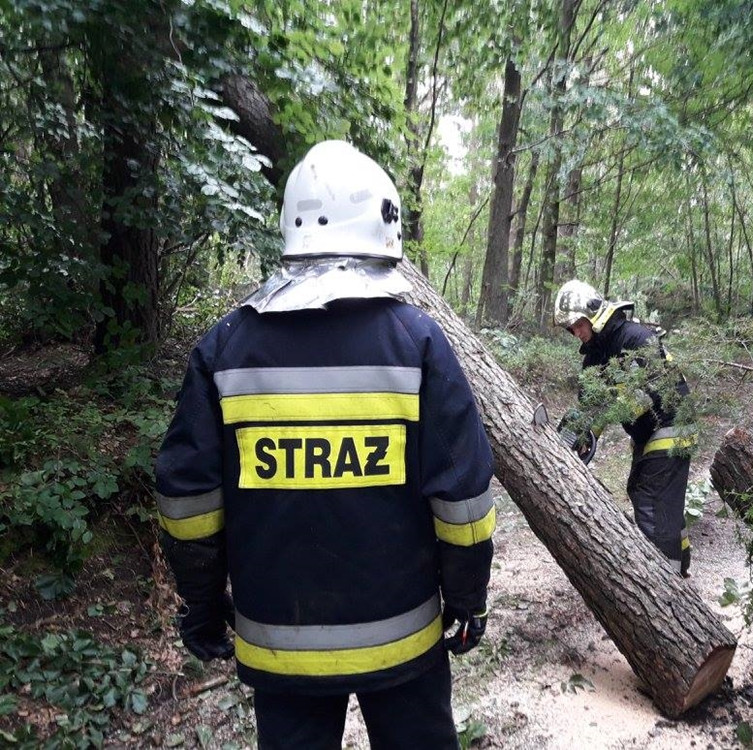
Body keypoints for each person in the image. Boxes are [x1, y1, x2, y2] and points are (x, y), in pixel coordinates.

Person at [155, 140, 495, 749]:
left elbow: (187, 503)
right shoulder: (416, 342)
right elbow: (463, 499)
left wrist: (201, 605)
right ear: (380, 233)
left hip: (282, 649)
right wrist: (467, 600)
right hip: (406, 643)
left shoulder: (225, 350)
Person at [554, 279, 694, 576]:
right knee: (653, 499)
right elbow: (591, 407)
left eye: (578, 324)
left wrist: (602, 417)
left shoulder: (635, 338)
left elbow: (649, 392)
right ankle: (679, 569)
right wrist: (582, 434)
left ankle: (665, 585)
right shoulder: (595, 356)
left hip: (672, 424)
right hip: (649, 433)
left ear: (593, 313)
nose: (577, 333)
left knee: (651, 500)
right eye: (571, 329)